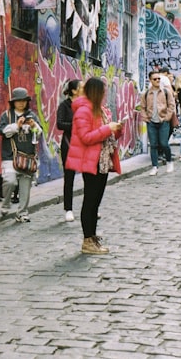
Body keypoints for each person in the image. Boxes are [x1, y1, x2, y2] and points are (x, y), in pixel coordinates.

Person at [66, 77, 122, 255]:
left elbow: (108, 135)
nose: (105, 94)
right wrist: (108, 129)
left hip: (103, 161)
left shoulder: (102, 110)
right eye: (103, 91)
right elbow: (86, 137)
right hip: (92, 161)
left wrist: (117, 129)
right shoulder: (84, 111)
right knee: (90, 201)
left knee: (96, 202)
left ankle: (93, 237)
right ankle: (87, 239)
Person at [0, 87, 43, 223]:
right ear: (13, 102)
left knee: (25, 187)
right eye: (18, 101)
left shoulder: (32, 115)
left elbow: (38, 133)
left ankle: (22, 213)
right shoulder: (7, 115)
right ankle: (5, 204)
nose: (21, 103)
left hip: (27, 157)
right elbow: (3, 131)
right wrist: (16, 126)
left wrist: (33, 126)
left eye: (24, 101)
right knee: (9, 181)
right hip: (10, 156)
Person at [139, 70, 176, 176]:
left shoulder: (165, 91)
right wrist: (146, 118)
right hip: (151, 122)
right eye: (155, 79)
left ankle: (169, 161)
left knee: (164, 143)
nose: (157, 81)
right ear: (150, 80)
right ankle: (154, 166)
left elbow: (171, 105)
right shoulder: (146, 93)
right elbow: (142, 107)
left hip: (163, 121)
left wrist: (167, 117)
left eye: (159, 79)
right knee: (153, 145)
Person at [55, 79, 81, 222]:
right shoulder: (64, 106)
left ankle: (89, 208)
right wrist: (76, 125)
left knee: (89, 178)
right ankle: (68, 209)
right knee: (69, 177)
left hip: (84, 144)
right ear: (74, 90)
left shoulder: (85, 105)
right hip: (69, 144)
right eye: (81, 87)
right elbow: (60, 124)